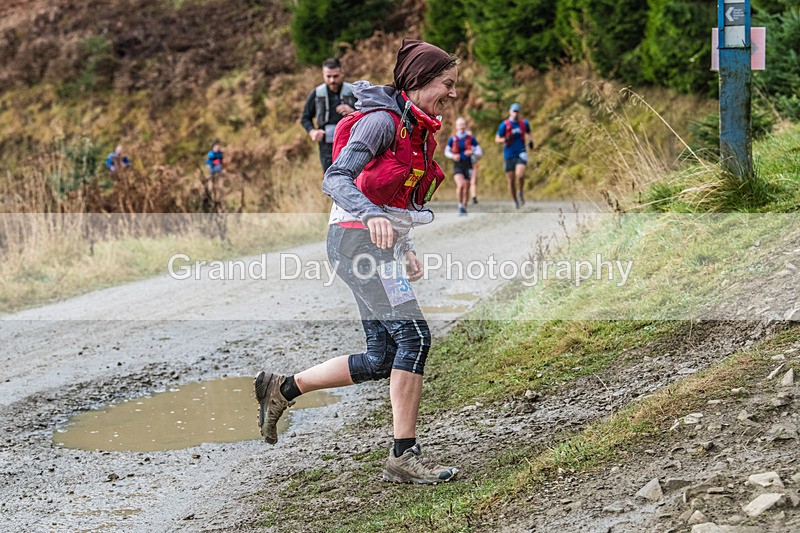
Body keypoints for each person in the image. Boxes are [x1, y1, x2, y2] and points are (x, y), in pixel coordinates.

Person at [256, 39, 459, 484]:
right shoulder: (381, 122)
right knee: (415, 338)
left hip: (374, 246)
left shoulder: (416, 129)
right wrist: (369, 216)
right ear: (421, 80)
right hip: (353, 243)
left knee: (383, 357)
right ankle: (403, 455)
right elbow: (336, 178)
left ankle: (283, 387)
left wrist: (403, 245)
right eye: (447, 83)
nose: (453, 92)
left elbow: (394, 199)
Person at [300, 58, 357, 172]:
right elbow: (305, 118)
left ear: (342, 73)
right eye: (328, 76)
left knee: (353, 177)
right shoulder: (317, 94)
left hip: (351, 142)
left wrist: (353, 112)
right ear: (323, 74)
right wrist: (312, 132)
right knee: (330, 177)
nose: (332, 80)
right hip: (327, 146)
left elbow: (368, 115)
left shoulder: (354, 91)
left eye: (335, 76)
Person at [495, 103, 533, 208]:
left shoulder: (524, 123)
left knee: (520, 175)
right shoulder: (504, 125)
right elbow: (497, 139)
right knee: (511, 180)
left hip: (521, 152)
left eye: (517, 111)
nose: (515, 113)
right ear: (510, 112)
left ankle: (520, 192)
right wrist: (504, 139)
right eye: (514, 111)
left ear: (519, 112)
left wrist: (530, 141)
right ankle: (515, 200)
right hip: (509, 154)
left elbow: (528, 132)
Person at [444, 117, 482, 216]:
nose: (461, 126)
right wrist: (453, 156)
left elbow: (479, 152)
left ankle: (464, 206)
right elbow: (446, 152)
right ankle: (460, 205)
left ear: (465, 126)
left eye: (463, 124)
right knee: (460, 185)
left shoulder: (471, 138)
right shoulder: (452, 139)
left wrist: (472, 151)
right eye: (459, 125)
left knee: (466, 188)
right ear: (456, 127)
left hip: (468, 165)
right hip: (458, 165)